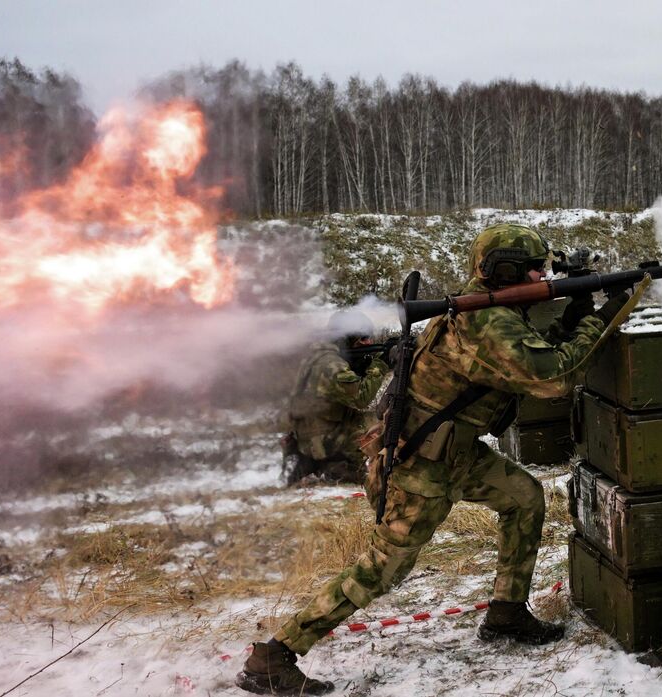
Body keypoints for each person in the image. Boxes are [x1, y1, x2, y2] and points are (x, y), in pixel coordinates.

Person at [237, 224, 630, 695]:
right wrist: (603, 314)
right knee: (383, 568)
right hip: (422, 464)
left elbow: (537, 351)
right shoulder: (487, 321)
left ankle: (506, 613)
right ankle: (275, 655)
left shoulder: (487, 304)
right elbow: (553, 376)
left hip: (455, 451)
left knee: (523, 497)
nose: (541, 274)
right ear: (504, 270)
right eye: (532, 268)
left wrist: (579, 306)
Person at [283, 310, 391, 486]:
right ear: (346, 338)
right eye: (363, 339)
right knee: (381, 424)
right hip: (324, 446)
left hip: (310, 440)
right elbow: (361, 398)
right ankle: (338, 470)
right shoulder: (331, 364)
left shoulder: (318, 356)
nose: (369, 342)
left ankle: (325, 468)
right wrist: (381, 365)